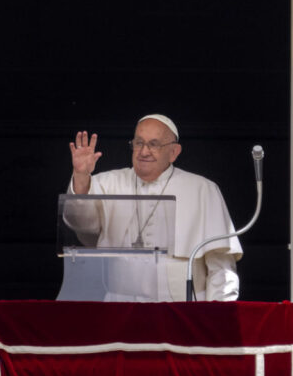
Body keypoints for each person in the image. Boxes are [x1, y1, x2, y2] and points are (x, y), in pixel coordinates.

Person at [67, 114, 242, 301]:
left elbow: (221, 268)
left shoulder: (203, 190)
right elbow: (82, 224)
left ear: (174, 152)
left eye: (154, 144)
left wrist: (217, 315)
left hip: (182, 309)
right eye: (139, 143)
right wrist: (81, 177)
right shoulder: (106, 183)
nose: (144, 152)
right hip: (119, 307)